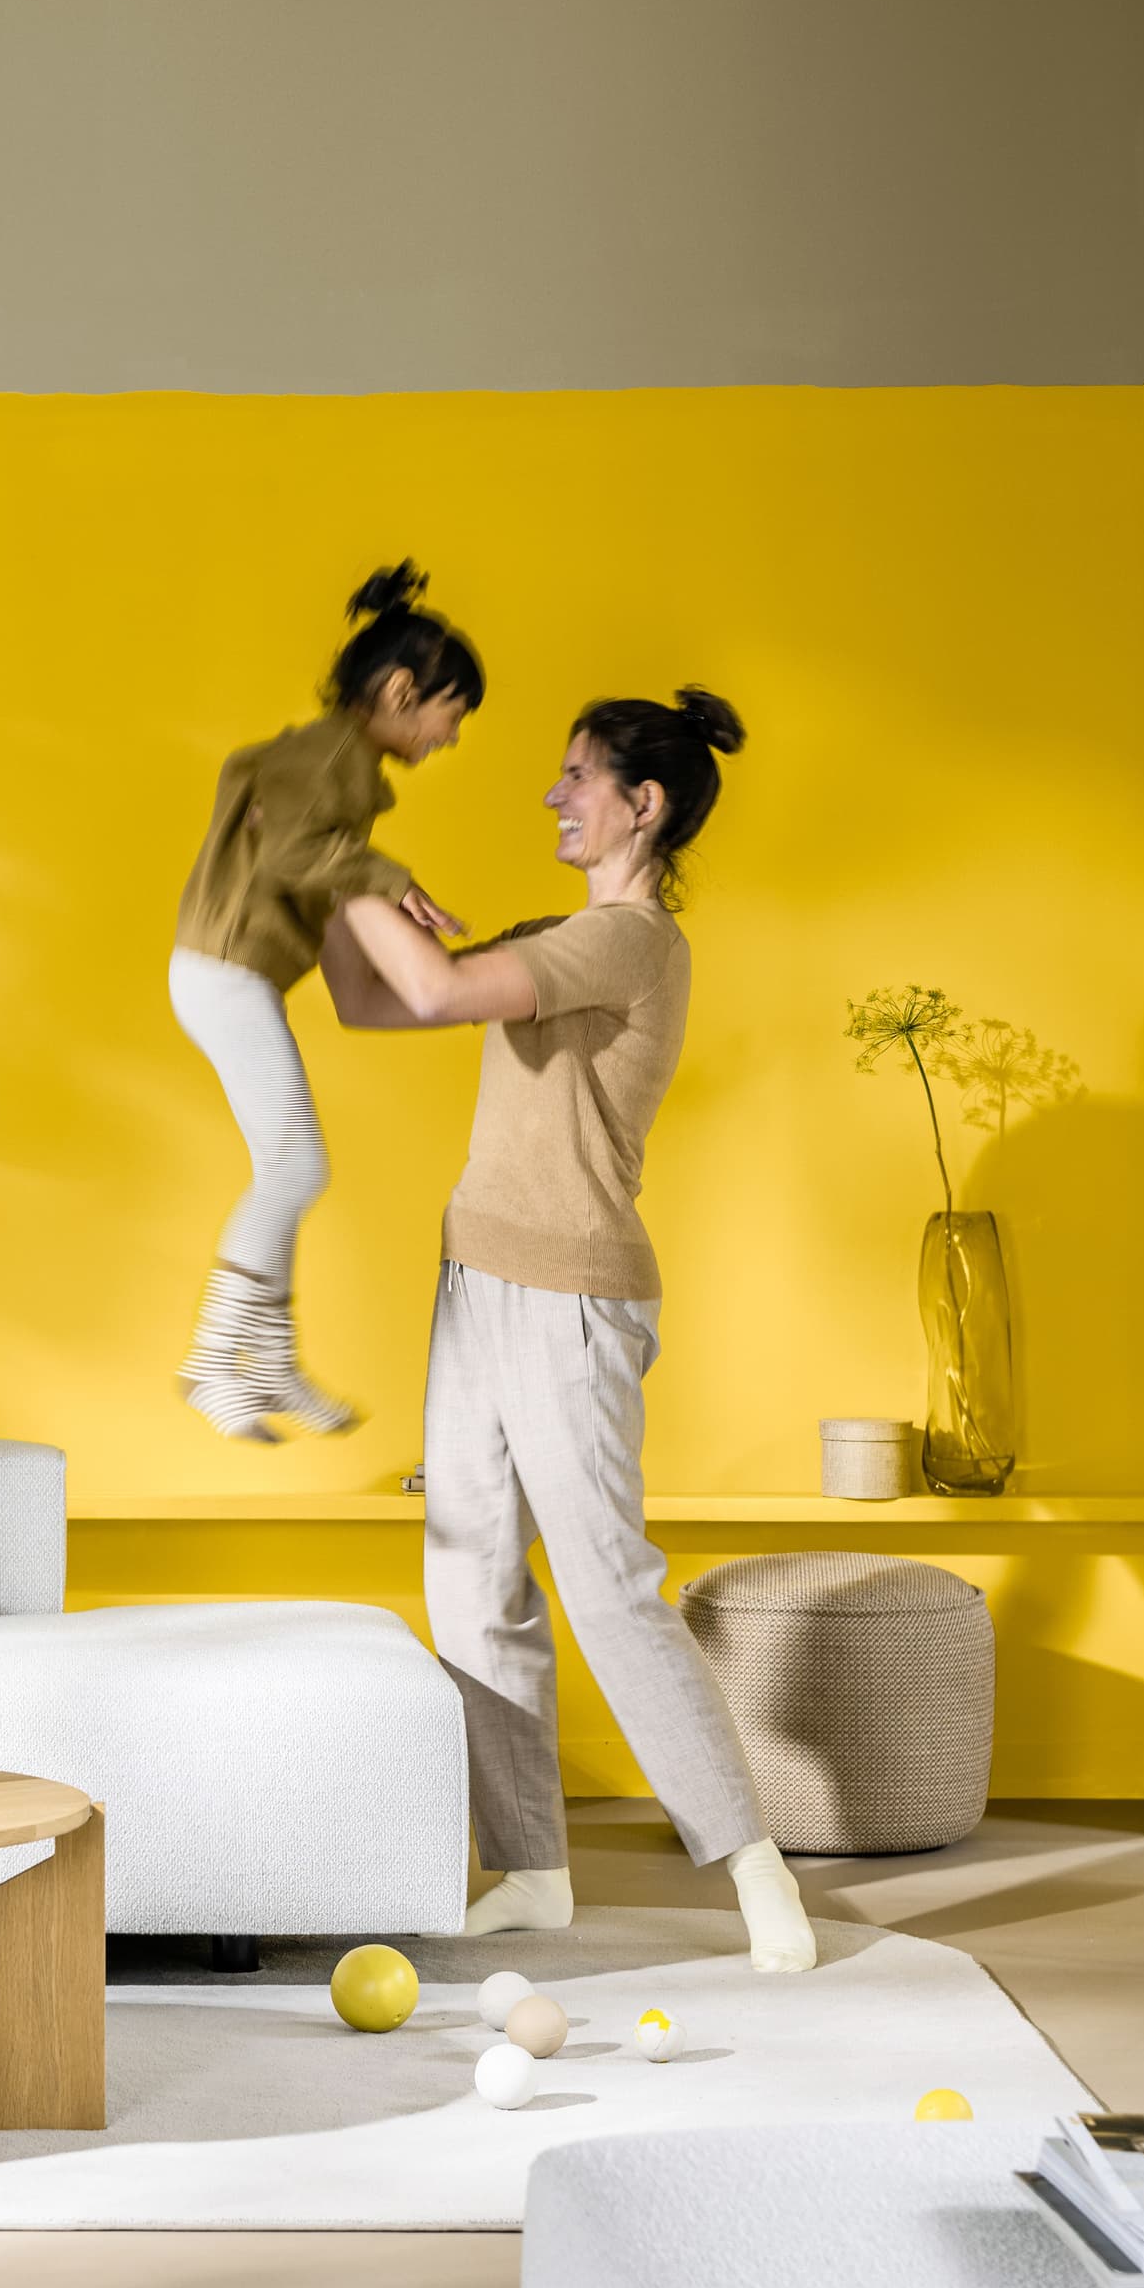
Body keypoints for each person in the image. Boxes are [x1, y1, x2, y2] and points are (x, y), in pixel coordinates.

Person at [322, 688, 817, 1974]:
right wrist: (341, 906)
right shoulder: (561, 932)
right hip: (474, 1281)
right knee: (469, 1579)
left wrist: (348, 859)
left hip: (575, 1297)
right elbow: (371, 1005)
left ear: (641, 806)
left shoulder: (633, 944)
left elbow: (430, 990)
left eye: (577, 777)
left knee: (605, 1585)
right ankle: (534, 1867)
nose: (553, 794)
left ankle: (755, 1869)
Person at [166, 563, 482, 1442]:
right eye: (452, 716)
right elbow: (292, 855)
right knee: (297, 1168)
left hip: (228, 974)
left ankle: (268, 1362)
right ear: (401, 692)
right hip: (223, 972)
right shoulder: (334, 757)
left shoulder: (329, 756)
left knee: (289, 1165)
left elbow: (300, 846)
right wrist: (389, 876)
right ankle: (213, 1357)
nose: (452, 738)